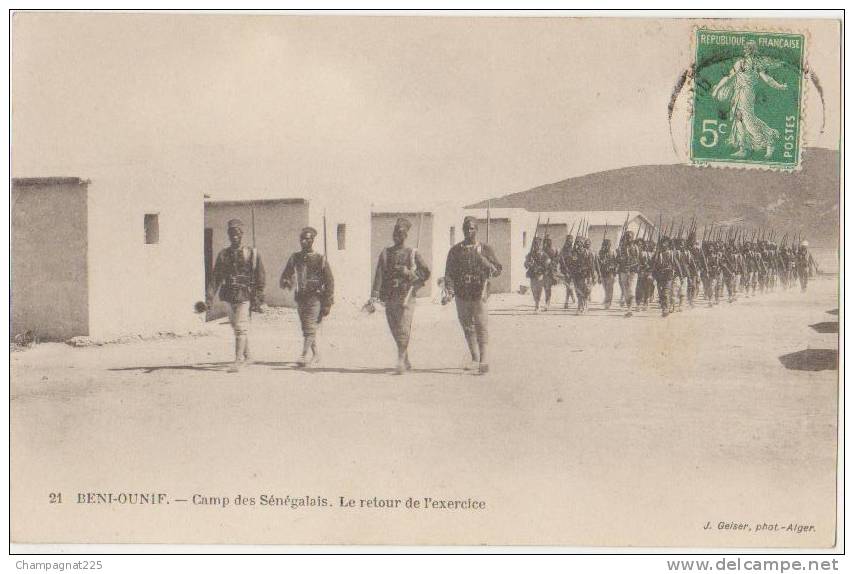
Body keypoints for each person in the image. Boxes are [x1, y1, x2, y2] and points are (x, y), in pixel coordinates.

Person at [369, 218, 431, 374]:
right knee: (395, 329)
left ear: (406, 235)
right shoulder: (386, 253)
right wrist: (374, 295)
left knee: (403, 328)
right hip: (390, 296)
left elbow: (425, 272)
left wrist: (410, 273)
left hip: (406, 296)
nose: (398, 236)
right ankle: (405, 358)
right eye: (396, 233)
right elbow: (379, 275)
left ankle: (400, 362)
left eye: (401, 233)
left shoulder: (412, 253)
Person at [443, 216, 502, 374]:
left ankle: (484, 360)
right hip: (462, 293)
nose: (469, 231)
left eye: (472, 228)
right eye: (466, 228)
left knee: (481, 326)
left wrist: (484, 261)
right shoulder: (455, 250)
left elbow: (497, 270)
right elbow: (449, 273)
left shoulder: (485, 249)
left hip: (479, 292)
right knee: (467, 326)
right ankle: (475, 358)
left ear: (477, 230)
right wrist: (449, 291)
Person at [206, 218, 266, 372]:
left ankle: (238, 361)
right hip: (229, 294)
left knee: (240, 328)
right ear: (228, 234)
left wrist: (258, 298)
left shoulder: (251, 253)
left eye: (237, 233)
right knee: (236, 327)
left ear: (242, 234)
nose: (235, 236)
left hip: (245, 294)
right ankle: (248, 356)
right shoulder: (223, 255)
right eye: (232, 233)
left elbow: (260, 277)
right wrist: (209, 296)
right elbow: (216, 277)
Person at [280, 227, 334, 367]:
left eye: (307, 239)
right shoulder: (295, 257)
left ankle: (303, 355)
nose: (303, 241)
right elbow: (286, 274)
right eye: (302, 239)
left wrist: (327, 303)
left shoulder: (320, 259)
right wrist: (286, 281)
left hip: (315, 298)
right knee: (306, 328)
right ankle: (316, 354)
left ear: (312, 241)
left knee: (310, 326)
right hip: (301, 297)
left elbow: (330, 282)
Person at [616, 230, 641, 317]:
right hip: (623, 271)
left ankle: (630, 309)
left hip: (633, 271)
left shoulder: (636, 248)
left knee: (631, 290)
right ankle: (628, 307)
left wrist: (636, 267)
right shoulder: (621, 248)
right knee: (626, 291)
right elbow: (617, 260)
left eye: (630, 237)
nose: (628, 239)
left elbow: (639, 259)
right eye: (627, 237)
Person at [524, 236, 549, 312]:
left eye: (538, 244)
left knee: (539, 289)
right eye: (535, 244)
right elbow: (525, 264)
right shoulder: (530, 254)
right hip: (532, 274)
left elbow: (547, 264)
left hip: (540, 274)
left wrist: (541, 268)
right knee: (533, 290)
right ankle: (536, 302)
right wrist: (528, 263)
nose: (537, 246)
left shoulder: (544, 254)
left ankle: (537, 305)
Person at [598, 238, 618, 309]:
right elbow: (599, 262)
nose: (606, 246)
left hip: (610, 272)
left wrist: (614, 270)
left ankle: (608, 302)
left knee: (610, 288)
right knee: (605, 288)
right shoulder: (601, 252)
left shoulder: (613, 252)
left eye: (608, 245)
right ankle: (607, 299)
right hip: (603, 272)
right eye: (605, 245)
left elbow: (616, 262)